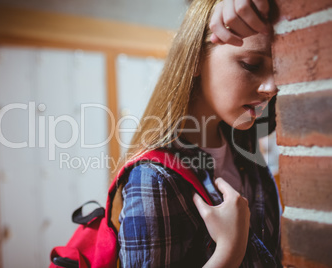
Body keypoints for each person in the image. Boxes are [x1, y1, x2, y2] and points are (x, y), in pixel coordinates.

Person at [115, 0, 282, 267]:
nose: (271, 87)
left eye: (278, 70)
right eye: (251, 64)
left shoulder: (244, 144)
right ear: (195, 60)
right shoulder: (153, 178)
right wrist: (228, 251)